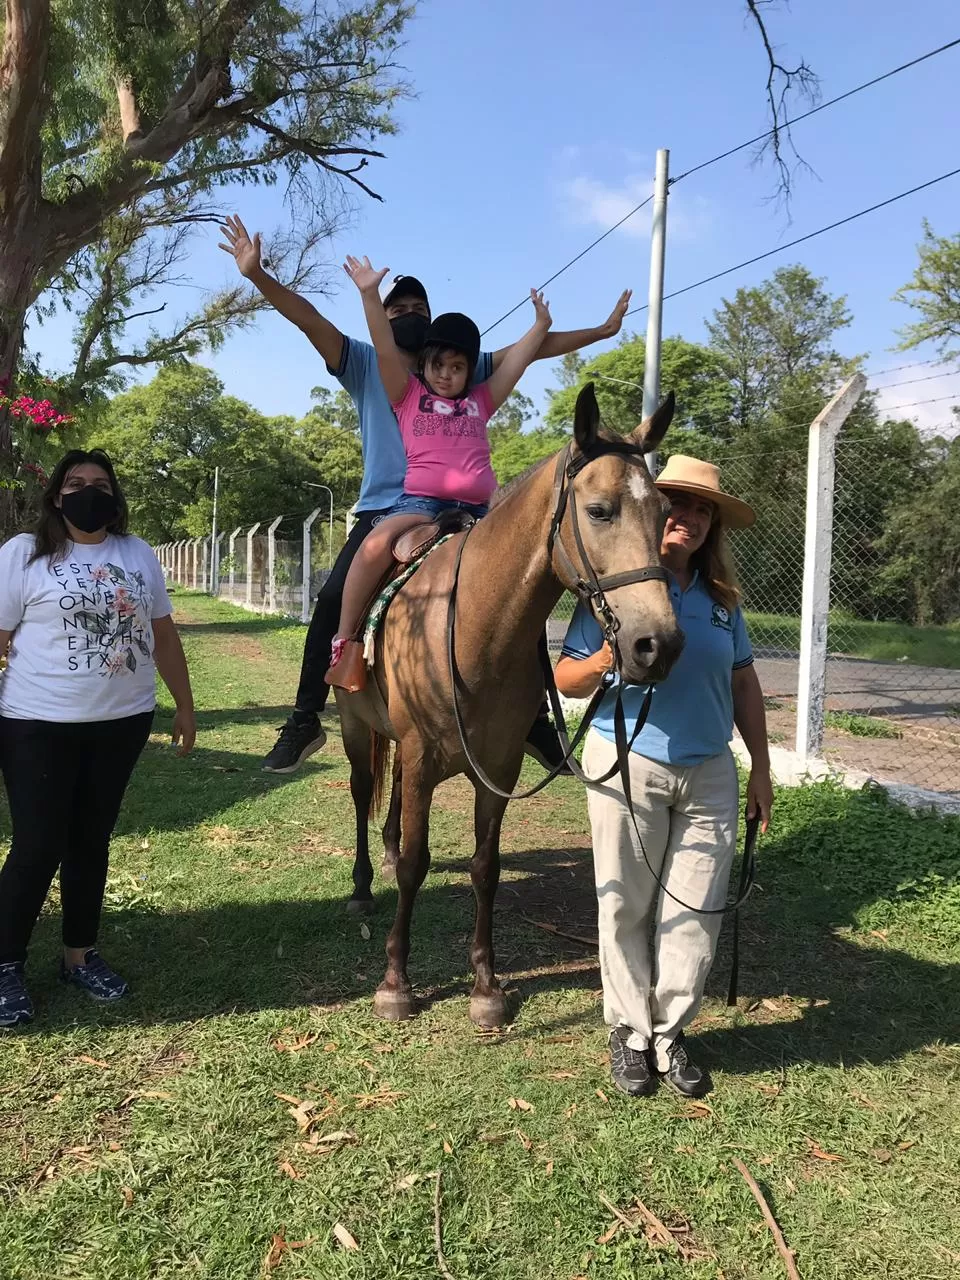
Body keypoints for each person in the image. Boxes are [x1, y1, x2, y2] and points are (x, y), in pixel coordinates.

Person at [218, 214, 632, 772]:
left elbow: (530, 348)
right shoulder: (370, 363)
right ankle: (304, 718)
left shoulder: (459, 371)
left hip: (469, 513)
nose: (409, 315)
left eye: (419, 310)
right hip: (390, 508)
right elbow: (309, 318)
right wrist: (259, 276)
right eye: (398, 310)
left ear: (438, 330)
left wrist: (600, 332)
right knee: (334, 593)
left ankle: (532, 718)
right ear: (385, 319)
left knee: (522, 597)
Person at [555, 455, 773, 1099]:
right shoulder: (613, 589)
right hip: (628, 761)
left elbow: (744, 683)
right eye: (678, 504)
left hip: (709, 772)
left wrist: (760, 766)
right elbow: (566, 679)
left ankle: (671, 1030)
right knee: (624, 900)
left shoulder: (723, 604)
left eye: (704, 509)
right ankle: (629, 1032)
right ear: (653, 511)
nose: (692, 517)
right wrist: (605, 657)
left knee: (697, 907)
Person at [0, 450, 196, 1029]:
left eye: (101, 484)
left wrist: (183, 705)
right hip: (37, 722)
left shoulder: (136, 554)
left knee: (91, 839)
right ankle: (6, 962)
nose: (89, 492)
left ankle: (78, 954)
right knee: (37, 845)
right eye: (76, 483)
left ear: (116, 497)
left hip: (122, 722)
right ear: (57, 495)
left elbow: (161, 634)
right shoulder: (23, 554)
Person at [325, 256, 552, 686]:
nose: (447, 375)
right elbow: (384, 347)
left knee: (524, 573)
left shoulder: (480, 402)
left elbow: (517, 364)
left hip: (482, 512)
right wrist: (370, 295)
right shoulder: (405, 395)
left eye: (458, 367)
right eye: (439, 366)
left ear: (469, 371)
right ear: (424, 366)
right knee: (372, 549)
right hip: (421, 507)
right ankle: (347, 642)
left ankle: (531, 684)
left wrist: (538, 327)